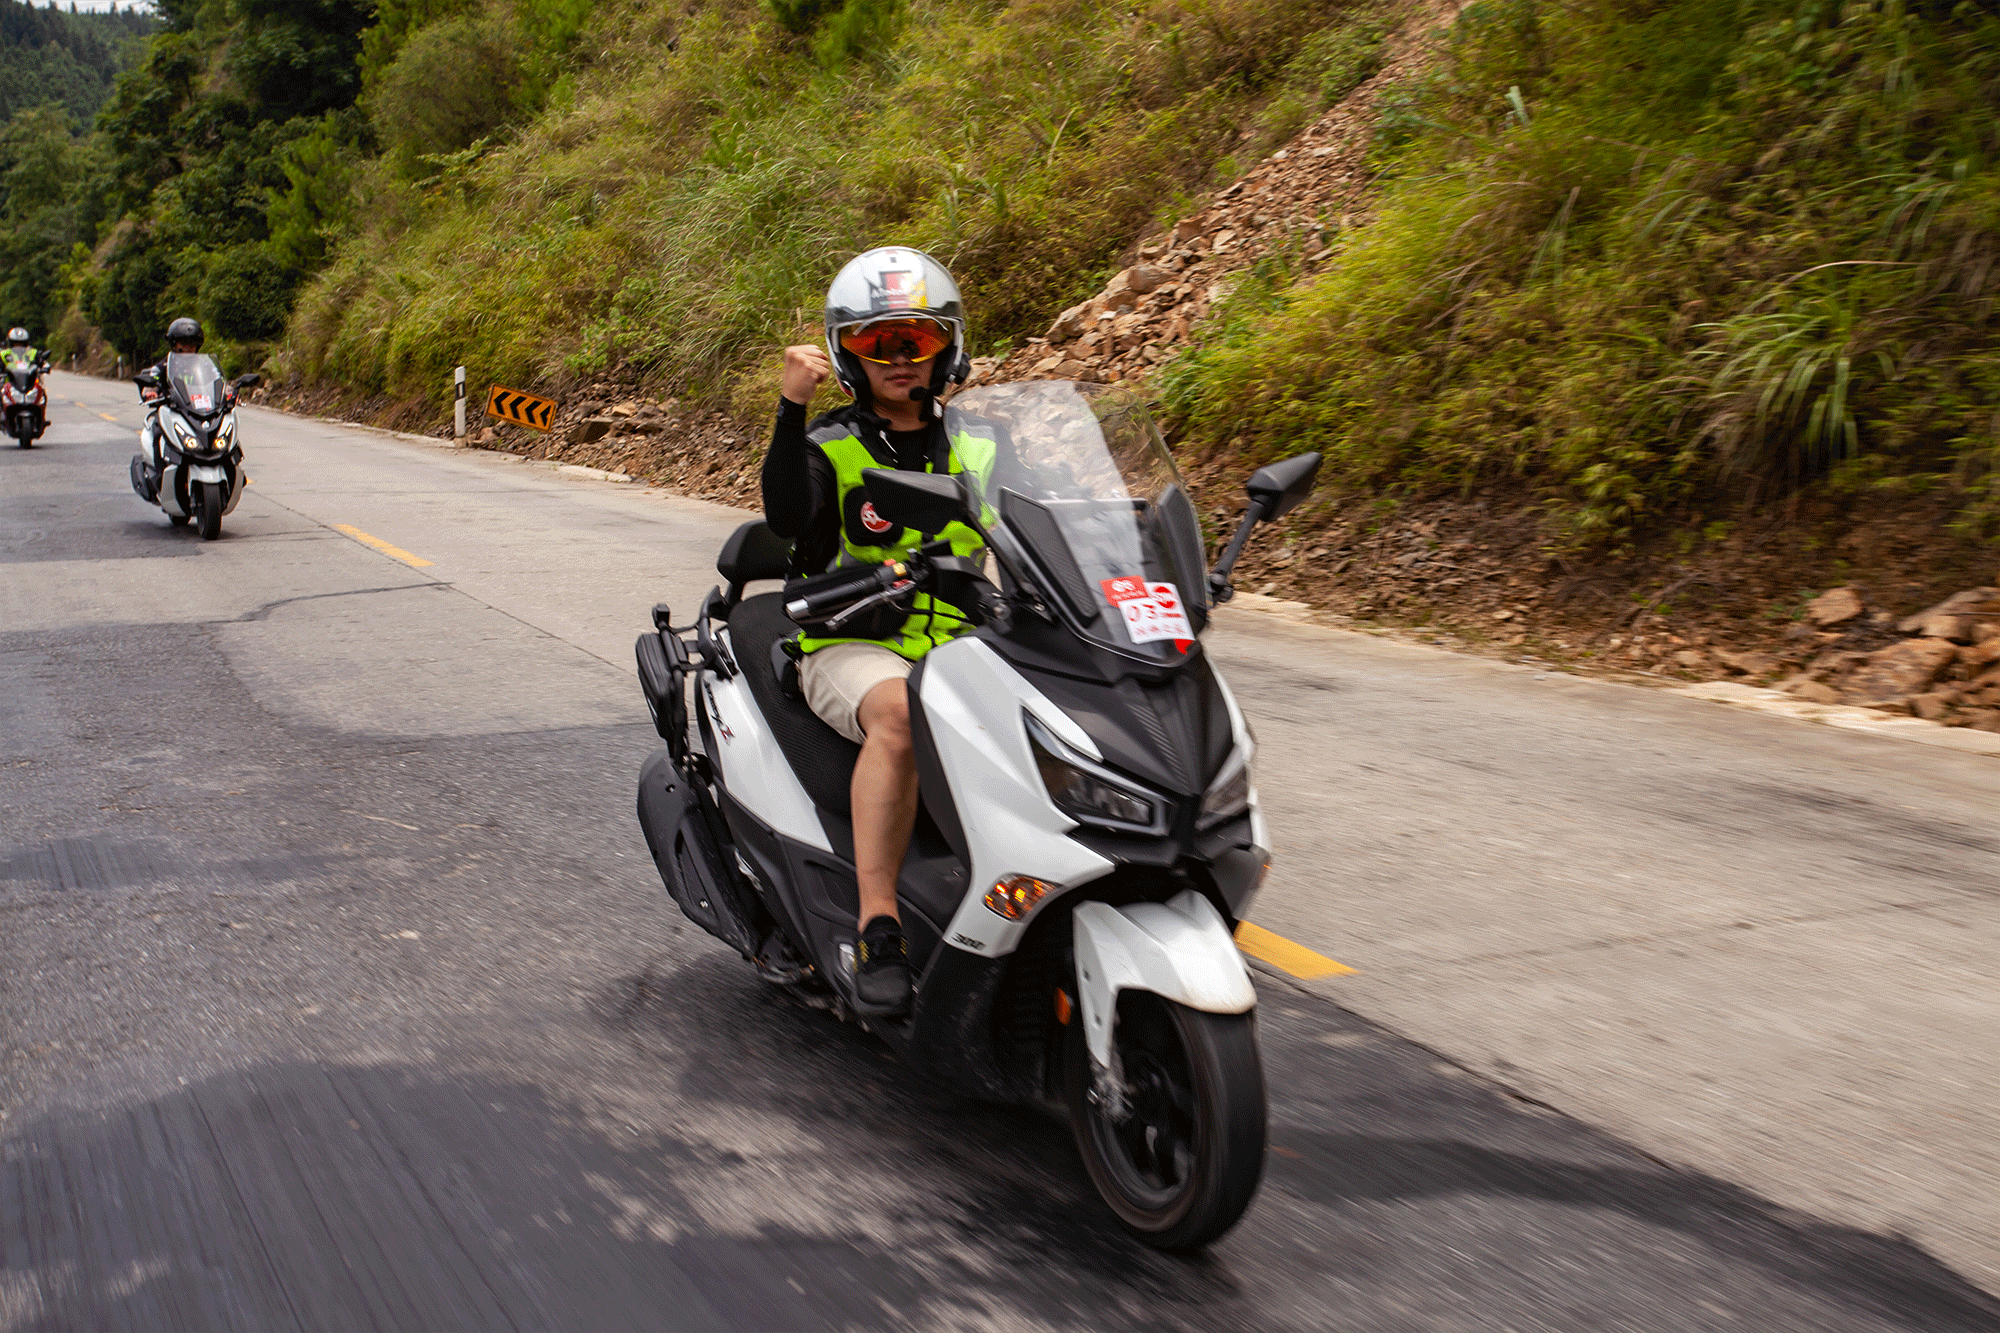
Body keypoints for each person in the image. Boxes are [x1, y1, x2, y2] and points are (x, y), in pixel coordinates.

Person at [763, 247, 1009, 1017]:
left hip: (964, 644)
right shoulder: (829, 443)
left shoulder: (981, 442)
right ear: (849, 356)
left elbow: (1046, 527)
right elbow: (785, 516)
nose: (900, 358)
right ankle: (879, 926)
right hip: (850, 641)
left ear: (947, 346)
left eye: (918, 339)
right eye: (878, 343)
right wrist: (790, 409)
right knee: (902, 713)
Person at [137, 317, 205, 490]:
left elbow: (219, 381)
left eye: (192, 344)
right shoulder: (165, 365)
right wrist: (150, 391)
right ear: (174, 344)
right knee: (157, 431)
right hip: (172, 410)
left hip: (200, 411)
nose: (188, 348)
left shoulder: (204, 365)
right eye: (184, 343)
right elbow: (151, 379)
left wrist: (228, 392)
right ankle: (159, 477)